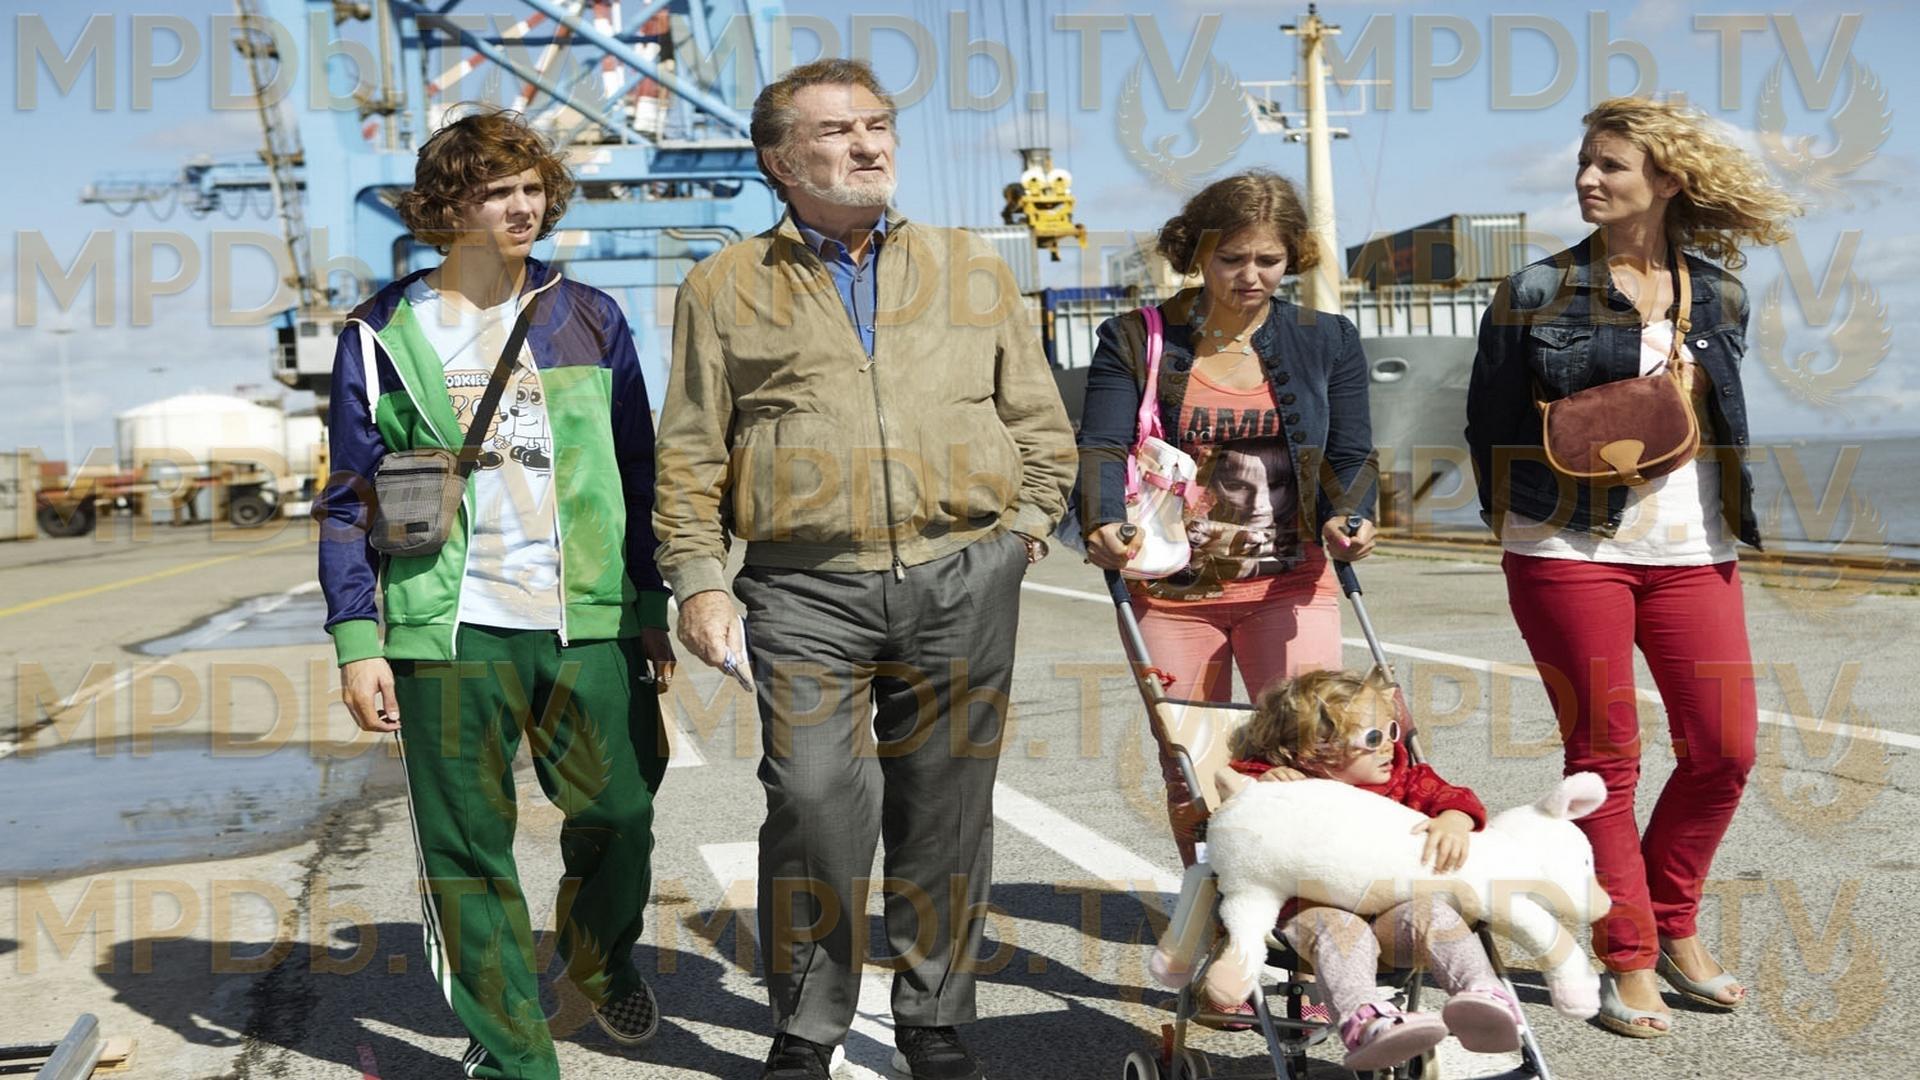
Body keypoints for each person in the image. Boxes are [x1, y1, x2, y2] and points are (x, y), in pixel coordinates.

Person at [651, 59, 1076, 1080]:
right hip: (802, 586)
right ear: (778, 159)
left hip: (961, 572)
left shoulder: (971, 266)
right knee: (812, 799)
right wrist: (699, 579)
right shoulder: (722, 285)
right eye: (837, 131)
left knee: (946, 805)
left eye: (877, 124)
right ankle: (807, 1023)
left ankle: (934, 1015)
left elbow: (1037, 419)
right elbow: (692, 447)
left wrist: (1021, 534)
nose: (868, 144)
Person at [315, 108, 676, 1079]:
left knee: (622, 813)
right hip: (449, 630)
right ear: (447, 206)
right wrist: (358, 641)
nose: (523, 206)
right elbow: (348, 498)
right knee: (468, 852)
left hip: (585, 618)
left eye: (532, 188)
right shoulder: (381, 332)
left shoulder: (589, 314)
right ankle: (515, 1055)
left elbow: (637, 468)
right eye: (496, 191)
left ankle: (597, 958)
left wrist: (650, 606)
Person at [1465, 96, 1796, 1037]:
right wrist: (1515, 524)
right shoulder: (1534, 290)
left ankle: (1671, 918)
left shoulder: (1720, 294)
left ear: (1669, 179)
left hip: (1696, 546)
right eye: (1583, 162)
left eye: (1609, 164)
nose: (1587, 179)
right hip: (1566, 547)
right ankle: (1630, 954)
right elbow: (1489, 421)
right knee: (1604, 759)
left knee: (1726, 749)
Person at [1076, 169, 1377, 861]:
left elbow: (1352, 452)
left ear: (1292, 256)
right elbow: (1102, 444)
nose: (1250, 276)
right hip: (1172, 595)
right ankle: (1212, 901)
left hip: (1290, 585)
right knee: (1194, 767)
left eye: (1268, 259)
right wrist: (1100, 518)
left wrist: (1352, 514)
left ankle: (1304, 904)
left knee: (1312, 752)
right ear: (1198, 253)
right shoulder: (1133, 337)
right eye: (1231, 258)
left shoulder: (1327, 338)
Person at [1224, 669, 1524, 1071]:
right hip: (1311, 912)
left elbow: (1454, 796)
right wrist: (1264, 785)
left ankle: (1485, 997)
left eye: (1391, 731)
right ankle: (1366, 1023)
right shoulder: (1283, 784)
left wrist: (1454, 820)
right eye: (1372, 738)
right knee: (1340, 930)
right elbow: (1234, 812)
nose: (1387, 746)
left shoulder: (1403, 779)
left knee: (1435, 914)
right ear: (1311, 752)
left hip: (1390, 915)